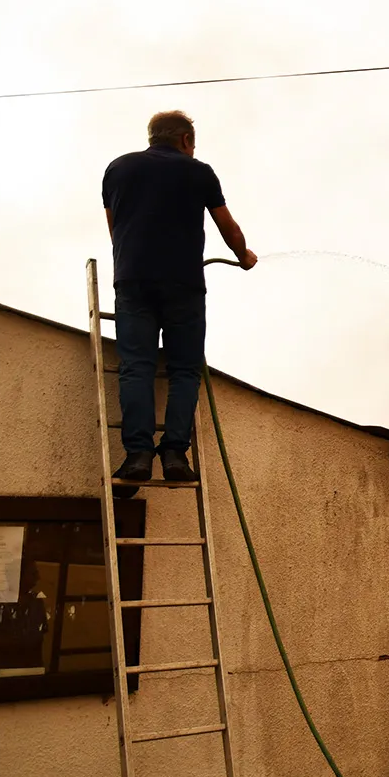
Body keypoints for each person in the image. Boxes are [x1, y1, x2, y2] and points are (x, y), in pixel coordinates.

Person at [102, 111, 256, 492]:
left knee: (135, 367)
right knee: (184, 371)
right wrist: (244, 256)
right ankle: (174, 455)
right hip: (183, 285)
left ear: (152, 137)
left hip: (133, 281)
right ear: (186, 140)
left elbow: (114, 227)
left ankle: (137, 456)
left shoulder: (117, 169)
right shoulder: (199, 172)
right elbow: (228, 227)